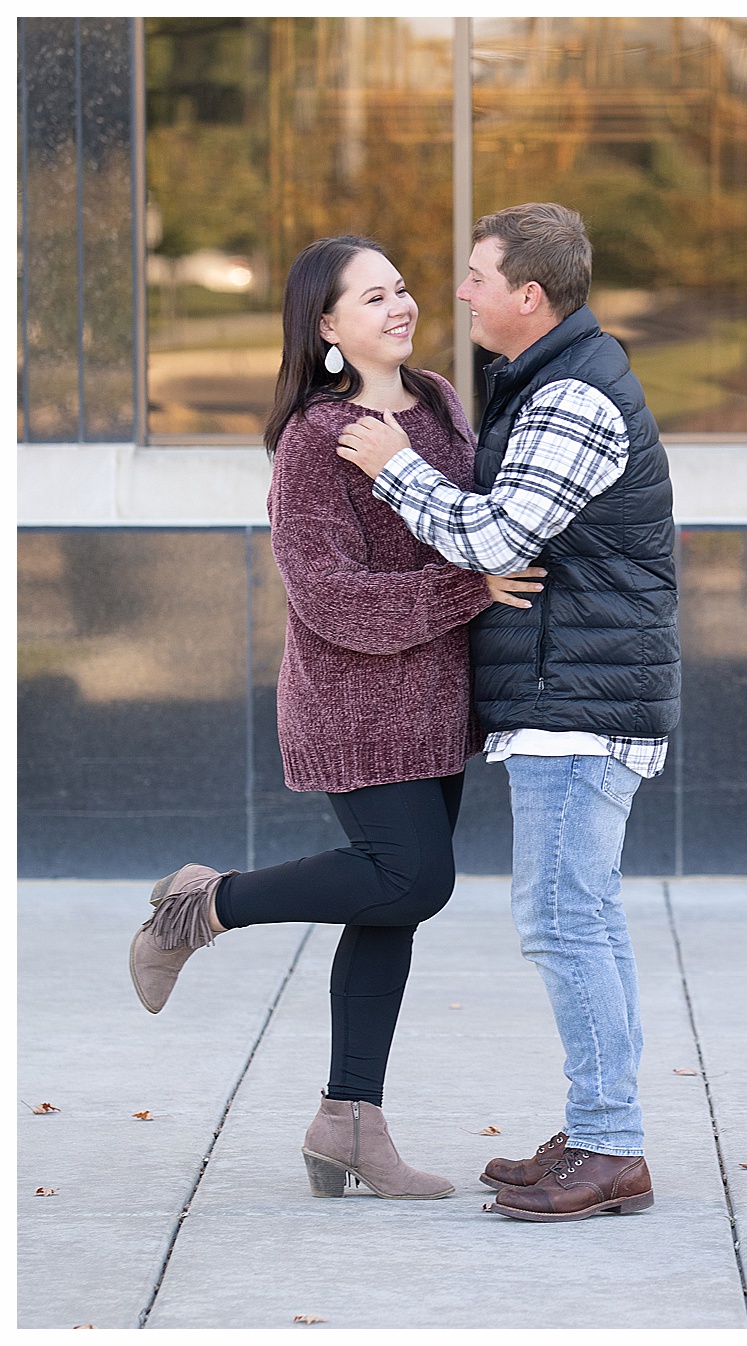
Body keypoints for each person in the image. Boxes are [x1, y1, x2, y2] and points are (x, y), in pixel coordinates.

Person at [127, 235, 545, 1201]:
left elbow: (470, 517)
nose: (400, 306)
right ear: (326, 326)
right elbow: (332, 599)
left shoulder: (440, 400)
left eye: (402, 289)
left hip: (440, 703)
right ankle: (202, 906)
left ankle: (348, 1122)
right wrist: (470, 588)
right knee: (414, 879)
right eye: (373, 297)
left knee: (389, 903)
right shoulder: (316, 440)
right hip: (355, 704)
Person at [336, 202, 679, 1224]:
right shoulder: (542, 378)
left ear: (530, 295)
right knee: (587, 919)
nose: (460, 291)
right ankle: (599, 1126)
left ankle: (612, 1143)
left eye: (478, 275)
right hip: (567, 694)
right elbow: (501, 542)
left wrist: (389, 467)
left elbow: (495, 537)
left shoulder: (574, 395)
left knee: (563, 920)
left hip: (577, 704)